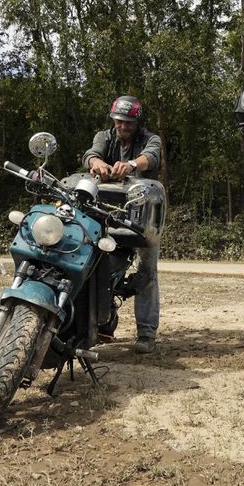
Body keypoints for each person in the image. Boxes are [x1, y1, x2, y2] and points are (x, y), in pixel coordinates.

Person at [82, 95, 163, 354]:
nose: (123, 126)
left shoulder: (151, 139)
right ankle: (102, 323)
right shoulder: (104, 137)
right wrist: (98, 164)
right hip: (107, 212)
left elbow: (151, 157)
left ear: (137, 122)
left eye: (128, 123)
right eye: (119, 121)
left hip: (143, 215)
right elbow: (91, 155)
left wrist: (130, 165)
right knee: (101, 266)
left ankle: (146, 334)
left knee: (147, 272)